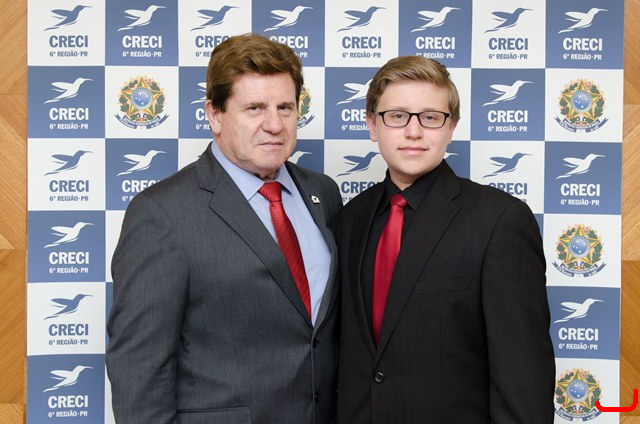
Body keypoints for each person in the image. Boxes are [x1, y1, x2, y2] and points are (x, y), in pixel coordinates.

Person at [106, 34, 342, 424]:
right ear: (215, 114)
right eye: (254, 108)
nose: (274, 124)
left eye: (285, 107)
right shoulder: (162, 214)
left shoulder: (323, 193)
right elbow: (139, 372)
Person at [334, 56, 555, 423]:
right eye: (397, 116)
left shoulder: (500, 220)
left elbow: (523, 379)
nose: (414, 131)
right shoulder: (349, 219)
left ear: (451, 127)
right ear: (372, 125)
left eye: (431, 117)